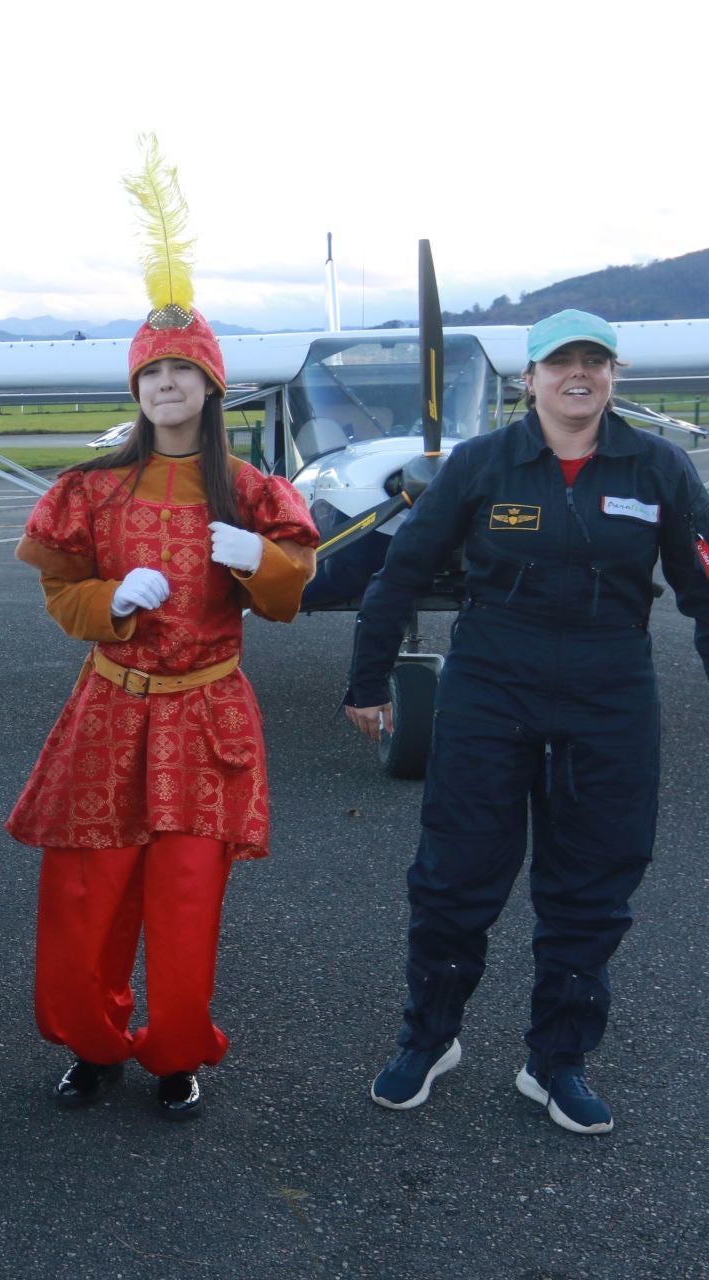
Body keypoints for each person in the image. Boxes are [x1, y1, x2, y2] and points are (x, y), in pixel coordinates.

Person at [7, 141, 319, 1119]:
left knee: (187, 903)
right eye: (154, 373)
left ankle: (175, 1050)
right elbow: (61, 597)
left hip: (205, 715)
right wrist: (109, 602)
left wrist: (254, 559)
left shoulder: (256, 491)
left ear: (211, 388)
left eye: (185, 372)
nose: (168, 387)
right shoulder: (91, 490)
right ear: (136, 390)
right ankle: (92, 1044)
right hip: (110, 710)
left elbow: (290, 596)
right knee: (85, 896)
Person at [347, 309, 709, 1135]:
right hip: (489, 692)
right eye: (560, 363)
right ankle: (429, 1039)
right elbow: (399, 574)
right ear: (530, 378)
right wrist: (367, 682)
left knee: (592, 886)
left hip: (611, 696)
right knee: (454, 877)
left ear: (615, 376)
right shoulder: (482, 465)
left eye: (595, 362)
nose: (577, 376)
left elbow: (700, 586)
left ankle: (556, 1061)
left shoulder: (660, 468)